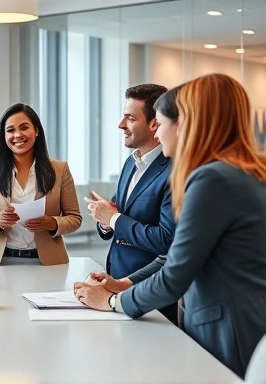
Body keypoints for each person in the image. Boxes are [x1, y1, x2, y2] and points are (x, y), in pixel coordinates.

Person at [74, 74, 266, 378]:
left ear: (187, 124)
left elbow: (175, 273)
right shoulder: (241, 171)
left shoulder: (211, 180)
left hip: (227, 330)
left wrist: (112, 301)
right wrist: (124, 283)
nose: (159, 134)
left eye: (162, 125)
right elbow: (178, 254)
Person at [84, 83, 177, 324]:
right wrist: (105, 221)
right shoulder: (130, 163)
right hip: (117, 281)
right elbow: (118, 217)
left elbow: (166, 240)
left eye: (130, 118)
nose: (121, 125)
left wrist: (113, 219)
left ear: (154, 123)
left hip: (152, 292)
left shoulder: (174, 171)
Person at [0, 103, 82, 266]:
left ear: (36, 131)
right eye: (10, 130)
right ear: (4, 136)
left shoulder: (60, 170)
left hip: (46, 259)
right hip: (2, 260)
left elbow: (75, 218)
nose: (17, 135)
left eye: (24, 127)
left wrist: (52, 223)